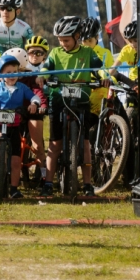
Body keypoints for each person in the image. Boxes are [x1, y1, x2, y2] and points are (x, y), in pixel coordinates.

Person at [40, 16, 108, 198]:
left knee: (85, 143)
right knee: (54, 144)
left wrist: (104, 77)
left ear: (77, 36)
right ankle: (48, 183)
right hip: (58, 99)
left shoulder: (87, 52)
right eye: (60, 40)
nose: (63, 44)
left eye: (67, 40)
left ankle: (87, 184)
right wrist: (45, 76)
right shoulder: (55, 53)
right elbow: (46, 68)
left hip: (81, 100)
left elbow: (98, 68)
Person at [0, 54, 41, 200]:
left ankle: (14, 188)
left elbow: (34, 96)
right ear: (1, 75)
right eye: (8, 73)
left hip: (14, 126)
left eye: (15, 72)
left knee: (16, 161)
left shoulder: (22, 88)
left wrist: (33, 104)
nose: (12, 75)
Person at [23, 36, 51, 181]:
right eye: (31, 52)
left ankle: (44, 175)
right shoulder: (21, 66)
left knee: (37, 144)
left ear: (44, 55)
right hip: (21, 107)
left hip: (41, 105)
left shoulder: (48, 68)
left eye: (39, 53)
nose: (34, 55)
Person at [80, 17, 114, 116]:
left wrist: (106, 78)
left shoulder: (105, 53)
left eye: (90, 41)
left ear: (97, 37)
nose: (87, 45)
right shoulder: (78, 53)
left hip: (100, 89)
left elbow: (110, 72)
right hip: (83, 90)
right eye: (84, 41)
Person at [110, 20, 138, 86]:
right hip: (133, 82)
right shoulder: (126, 50)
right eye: (130, 41)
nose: (133, 44)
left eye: (136, 40)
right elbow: (112, 70)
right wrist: (107, 76)